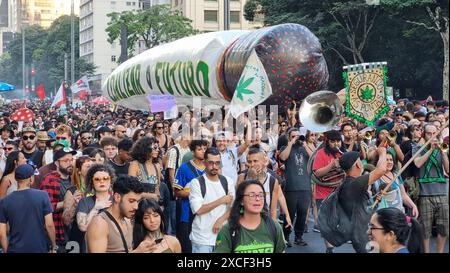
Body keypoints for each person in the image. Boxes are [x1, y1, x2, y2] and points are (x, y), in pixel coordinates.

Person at [336, 147, 387, 253]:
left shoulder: (349, 183)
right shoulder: (354, 183)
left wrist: (376, 201)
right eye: (360, 161)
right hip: (362, 236)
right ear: (358, 165)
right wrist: (383, 152)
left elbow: (363, 210)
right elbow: (381, 169)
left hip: (362, 234)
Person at [85, 175, 155, 253]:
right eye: (131, 201)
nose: (136, 207)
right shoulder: (100, 223)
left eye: (137, 201)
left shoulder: (127, 219)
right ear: (117, 197)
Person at [215, 180, 286, 253]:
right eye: (252, 195)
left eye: (261, 195)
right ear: (241, 201)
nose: (257, 199)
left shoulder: (274, 227)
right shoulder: (228, 230)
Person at [0, 164, 56, 253]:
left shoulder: (5, 201)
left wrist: (7, 250)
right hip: (39, 248)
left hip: (15, 249)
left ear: (16, 178)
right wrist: (53, 245)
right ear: (31, 178)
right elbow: (49, 225)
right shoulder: (43, 196)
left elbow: (2, 234)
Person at [189, 147, 235, 253]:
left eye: (217, 163)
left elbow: (233, 207)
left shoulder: (228, 181)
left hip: (223, 237)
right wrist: (222, 200)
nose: (214, 166)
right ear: (204, 162)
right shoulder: (196, 183)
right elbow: (198, 210)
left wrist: (221, 219)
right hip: (202, 239)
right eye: (211, 163)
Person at [413, 123, 449, 253]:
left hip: (442, 193)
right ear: (424, 134)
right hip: (425, 194)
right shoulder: (417, 148)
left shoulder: (444, 148)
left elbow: (448, 170)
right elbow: (417, 163)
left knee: (443, 228)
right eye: (429, 133)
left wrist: (443, 153)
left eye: (435, 133)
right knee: (425, 230)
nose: (432, 136)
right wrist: (430, 149)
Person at [40, 147, 78, 252]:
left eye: (72, 160)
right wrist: (69, 201)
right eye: (66, 160)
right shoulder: (50, 179)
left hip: (74, 230)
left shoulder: (74, 178)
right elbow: (47, 208)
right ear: (57, 163)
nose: (70, 163)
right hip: (58, 233)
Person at [311, 129, 343, 252]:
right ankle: (329, 249)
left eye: (338, 141)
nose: (336, 144)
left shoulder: (341, 154)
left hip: (338, 193)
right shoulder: (321, 153)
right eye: (333, 141)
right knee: (327, 224)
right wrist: (331, 166)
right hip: (323, 193)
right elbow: (317, 173)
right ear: (327, 141)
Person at [173, 139, 208, 253]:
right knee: (188, 246)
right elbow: (177, 191)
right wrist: (195, 193)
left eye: (205, 148)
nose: (203, 151)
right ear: (193, 152)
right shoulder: (184, 167)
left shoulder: (211, 167)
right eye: (199, 149)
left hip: (207, 212)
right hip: (187, 213)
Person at [278, 127, 311, 246]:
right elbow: (283, 158)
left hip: (305, 186)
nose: (296, 138)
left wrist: (306, 145)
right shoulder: (285, 148)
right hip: (291, 187)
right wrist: (291, 143)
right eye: (293, 136)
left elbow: (314, 159)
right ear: (289, 137)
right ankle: (286, 236)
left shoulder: (304, 148)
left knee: (302, 214)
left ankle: (299, 237)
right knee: (290, 214)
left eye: (298, 136)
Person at [75, 164, 115, 253]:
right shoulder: (85, 201)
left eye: (105, 178)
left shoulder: (117, 200)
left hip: (114, 246)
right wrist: (95, 209)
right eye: (97, 179)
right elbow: (83, 227)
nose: (102, 181)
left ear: (110, 180)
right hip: (92, 247)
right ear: (91, 182)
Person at [371, 150, 419, 217]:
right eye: (386, 160)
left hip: (398, 215)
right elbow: (370, 198)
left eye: (391, 160)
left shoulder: (396, 175)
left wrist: (413, 206)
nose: (389, 162)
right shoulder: (374, 177)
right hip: (382, 216)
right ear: (379, 162)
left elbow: (403, 195)